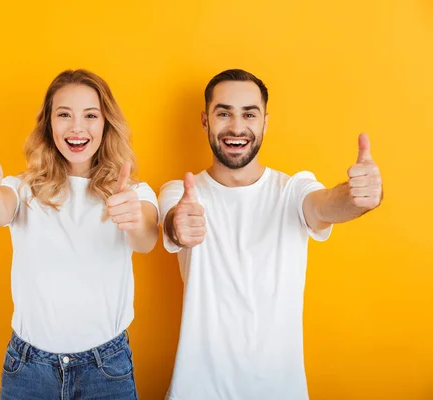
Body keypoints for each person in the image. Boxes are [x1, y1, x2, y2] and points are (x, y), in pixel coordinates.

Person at [159, 69, 383, 400]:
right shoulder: (179, 192)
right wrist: (178, 224)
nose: (237, 127)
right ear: (205, 120)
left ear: (265, 121)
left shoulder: (293, 190)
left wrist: (354, 197)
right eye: (224, 113)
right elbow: (171, 223)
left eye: (249, 114)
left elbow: (324, 206)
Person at [0, 69, 159, 400]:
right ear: (49, 125)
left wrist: (133, 217)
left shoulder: (132, 192)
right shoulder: (23, 188)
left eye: (90, 115)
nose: (77, 127)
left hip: (106, 369)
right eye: (64, 115)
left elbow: (146, 238)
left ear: (105, 124)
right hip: (28, 370)